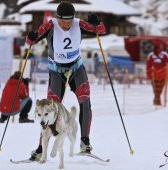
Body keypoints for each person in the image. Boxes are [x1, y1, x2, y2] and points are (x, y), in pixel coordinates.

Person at [26, 2, 106, 160]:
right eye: (63, 21)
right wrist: (31, 37)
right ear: (57, 18)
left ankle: (85, 142)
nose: (66, 25)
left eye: (69, 21)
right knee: (50, 108)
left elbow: (100, 31)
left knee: (85, 101)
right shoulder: (50, 25)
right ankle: (41, 147)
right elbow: (30, 42)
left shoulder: (79, 24)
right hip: (57, 72)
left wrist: (97, 23)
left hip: (76, 69)